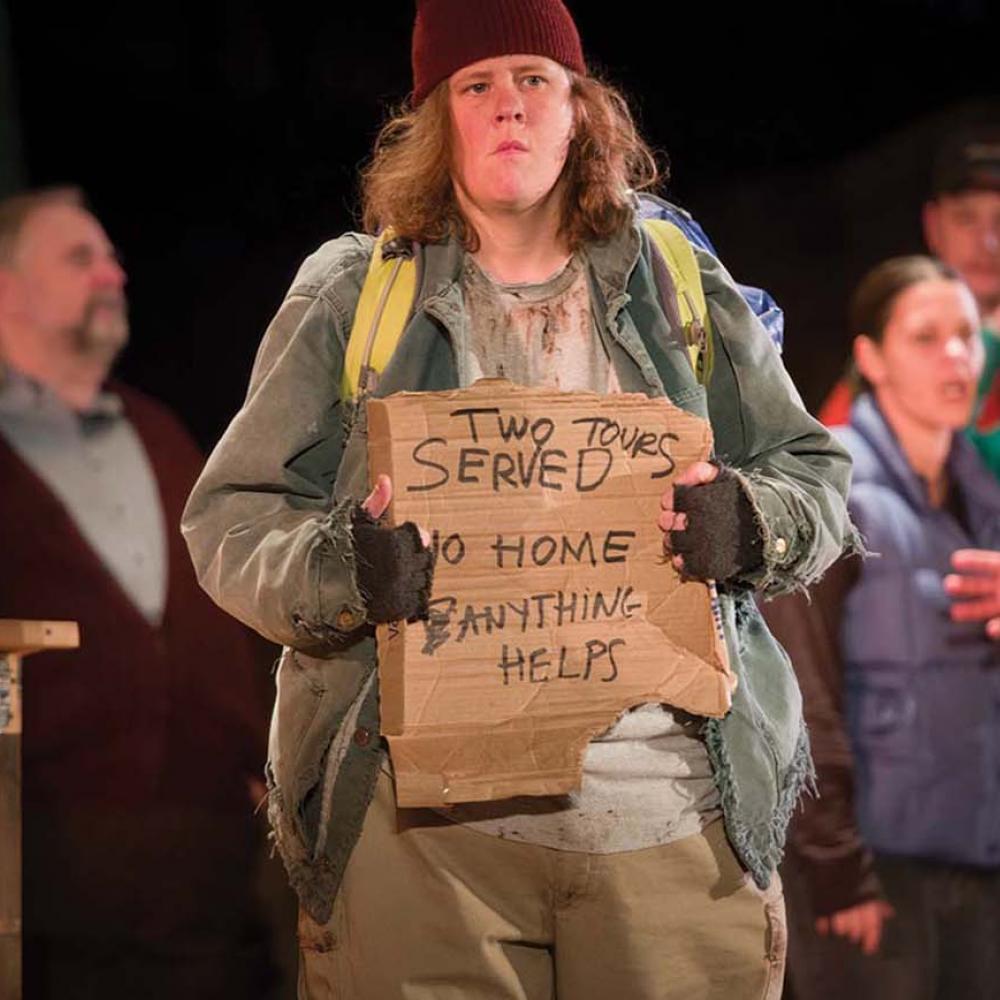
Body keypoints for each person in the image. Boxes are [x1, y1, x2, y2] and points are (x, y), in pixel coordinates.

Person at [181, 2, 855, 996]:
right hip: (426, 844)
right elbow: (232, 517)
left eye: (533, 80)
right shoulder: (354, 293)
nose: (507, 106)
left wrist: (750, 521)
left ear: (581, 110)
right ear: (435, 118)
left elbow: (813, 472)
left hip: (666, 826)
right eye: (475, 85)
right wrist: (341, 571)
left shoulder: (671, 279)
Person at [0, 186, 280, 999]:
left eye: (115, 258)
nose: (115, 275)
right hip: (51, 864)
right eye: (81, 258)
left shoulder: (156, 429)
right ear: (8, 289)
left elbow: (227, 602)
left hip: (208, 853)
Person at [761, 256, 1000, 1000]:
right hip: (870, 877)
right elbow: (796, 687)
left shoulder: (984, 495)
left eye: (966, 335)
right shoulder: (832, 489)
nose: (957, 357)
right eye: (926, 337)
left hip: (978, 863)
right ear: (870, 358)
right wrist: (836, 870)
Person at [819, 126, 1000, 478]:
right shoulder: (890, 340)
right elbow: (831, 474)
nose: (988, 242)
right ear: (933, 225)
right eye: (966, 218)